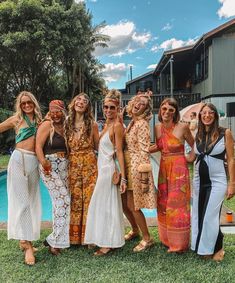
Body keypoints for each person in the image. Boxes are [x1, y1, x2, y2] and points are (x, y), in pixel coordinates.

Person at [188, 103, 235, 261]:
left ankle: (216, 248)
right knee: (198, 215)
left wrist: (232, 184)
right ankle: (201, 246)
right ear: (200, 116)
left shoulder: (225, 133)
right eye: (204, 113)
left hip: (217, 181)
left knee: (210, 216)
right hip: (198, 181)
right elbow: (191, 158)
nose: (206, 115)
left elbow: (232, 159)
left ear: (215, 115)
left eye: (210, 113)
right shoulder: (198, 134)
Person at [0, 91, 42, 265]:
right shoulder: (16, 119)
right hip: (18, 160)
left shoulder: (40, 121)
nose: (26, 105)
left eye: (29, 102)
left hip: (34, 162)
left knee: (31, 202)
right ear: (20, 104)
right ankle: (28, 248)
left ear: (33, 102)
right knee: (23, 203)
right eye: (23, 103)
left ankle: (24, 240)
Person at [84, 89, 127, 256]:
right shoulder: (106, 125)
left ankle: (108, 243)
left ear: (117, 109)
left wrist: (123, 178)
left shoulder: (116, 126)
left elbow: (120, 152)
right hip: (101, 168)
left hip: (109, 170)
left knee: (107, 206)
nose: (108, 110)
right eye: (106, 107)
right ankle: (103, 238)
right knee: (101, 205)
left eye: (112, 108)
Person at [150, 97, 194, 253]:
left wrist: (190, 158)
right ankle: (166, 239)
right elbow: (160, 145)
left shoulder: (183, 127)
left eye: (171, 110)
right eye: (164, 109)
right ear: (160, 110)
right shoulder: (157, 127)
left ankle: (179, 244)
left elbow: (194, 144)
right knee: (163, 203)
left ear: (175, 113)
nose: (167, 112)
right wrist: (143, 150)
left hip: (178, 170)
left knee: (177, 205)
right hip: (164, 168)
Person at [36, 100, 70, 255]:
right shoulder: (46, 125)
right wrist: (43, 162)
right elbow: (38, 146)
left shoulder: (65, 127)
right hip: (49, 166)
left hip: (64, 166)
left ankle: (58, 239)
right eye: (53, 111)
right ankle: (54, 240)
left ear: (63, 112)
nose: (56, 115)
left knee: (59, 203)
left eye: (59, 112)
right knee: (63, 201)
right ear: (50, 112)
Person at [122, 94, 156, 252]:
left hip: (137, 167)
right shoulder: (132, 122)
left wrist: (143, 175)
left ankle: (147, 238)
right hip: (128, 165)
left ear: (145, 109)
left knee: (133, 205)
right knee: (126, 204)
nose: (138, 105)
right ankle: (135, 231)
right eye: (137, 101)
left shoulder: (142, 123)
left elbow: (144, 149)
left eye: (142, 104)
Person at [66, 93, 99, 245]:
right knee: (76, 199)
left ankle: (89, 237)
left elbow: (98, 146)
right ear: (73, 103)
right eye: (78, 99)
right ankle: (74, 237)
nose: (81, 102)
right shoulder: (67, 123)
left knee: (90, 199)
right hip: (73, 164)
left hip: (90, 164)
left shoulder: (92, 124)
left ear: (87, 107)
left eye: (85, 101)